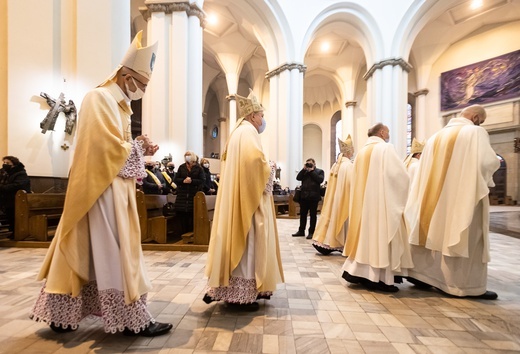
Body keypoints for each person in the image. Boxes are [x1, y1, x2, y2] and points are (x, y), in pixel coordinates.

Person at [30, 31, 173, 336]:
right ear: (125, 76)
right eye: (142, 84)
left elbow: (116, 145)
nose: (142, 91)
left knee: (96, 253)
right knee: (114, 253)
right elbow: (102, 147)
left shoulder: (119, 105)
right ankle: (132, 319)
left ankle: (67, 315)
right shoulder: (99, 97)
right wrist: (136, 150)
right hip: (101, 192)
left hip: (111, 189)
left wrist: (137, 146)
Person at [404, 104, 500, 300]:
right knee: (465, 235)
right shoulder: (475, 132)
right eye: (481, 121)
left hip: (432, 199)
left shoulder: (434, 138)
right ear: (475, 118)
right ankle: (464, 286)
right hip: (460, 197)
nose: (480, 124)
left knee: (434, 233)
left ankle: (427, 276)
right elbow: (487, 163)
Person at [203, 89, 284, 311]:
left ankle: (232, 290)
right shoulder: (248, 132)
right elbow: (255, 163)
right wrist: (272, 166)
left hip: (238, 197)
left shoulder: (238, 132)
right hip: (248, 202)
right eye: (261, 114)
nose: (263, 119)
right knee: (248, 244)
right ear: (252, 116)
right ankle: (242, 294)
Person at [341, 123, 413, 292]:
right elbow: (399, 176)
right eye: (387, 132)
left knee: (366, 239)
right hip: (382, 205)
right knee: (380, 237)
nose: (388, 135)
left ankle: (361, 273)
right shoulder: (385, 149)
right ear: (382, 132)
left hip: (364, 206)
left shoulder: (361, 153)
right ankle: (378, 278)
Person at [311, 136, 354, 255]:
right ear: (349, 151)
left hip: (333, 200)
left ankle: (327, 241)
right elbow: (352, 185)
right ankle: (339, 243)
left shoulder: (336, 165)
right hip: (343, 199)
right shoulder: (348, 166)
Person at [292, 158, 324, 239]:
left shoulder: (319, 171)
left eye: (310, 164)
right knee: (303, 215)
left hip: (314, 197)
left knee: (313, 215)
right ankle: (301, 231)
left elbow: (320, 180)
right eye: (307, 164)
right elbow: (298, 178)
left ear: (314, 164)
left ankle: (311, 232)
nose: (308, 165)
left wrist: (312, 171)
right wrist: (304, 169)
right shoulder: (304, 172)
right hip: (304, 197)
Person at [174, 151, 205, 234]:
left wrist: (192, 181)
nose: (187, 157)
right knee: (182, 215)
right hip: (182, 195)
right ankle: (181, 233)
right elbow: (176, 179)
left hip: (193, 194)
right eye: (186, 155)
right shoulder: (181, 167)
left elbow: (202, 180)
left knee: (192, 214)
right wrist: (183, 180)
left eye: (189, 155)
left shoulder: (199, 168)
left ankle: (191, 233)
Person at [0, 156, 31, 236]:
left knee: (14, 217)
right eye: (4, 162)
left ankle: (17, 232)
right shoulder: (5, 172)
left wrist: (2, 187)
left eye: (7, 163)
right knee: (9, 216)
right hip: (7, 199)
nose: (5, 164)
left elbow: (18, 185)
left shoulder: (20, 173)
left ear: (14, 164)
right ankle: (13, 232)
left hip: (17, 199)